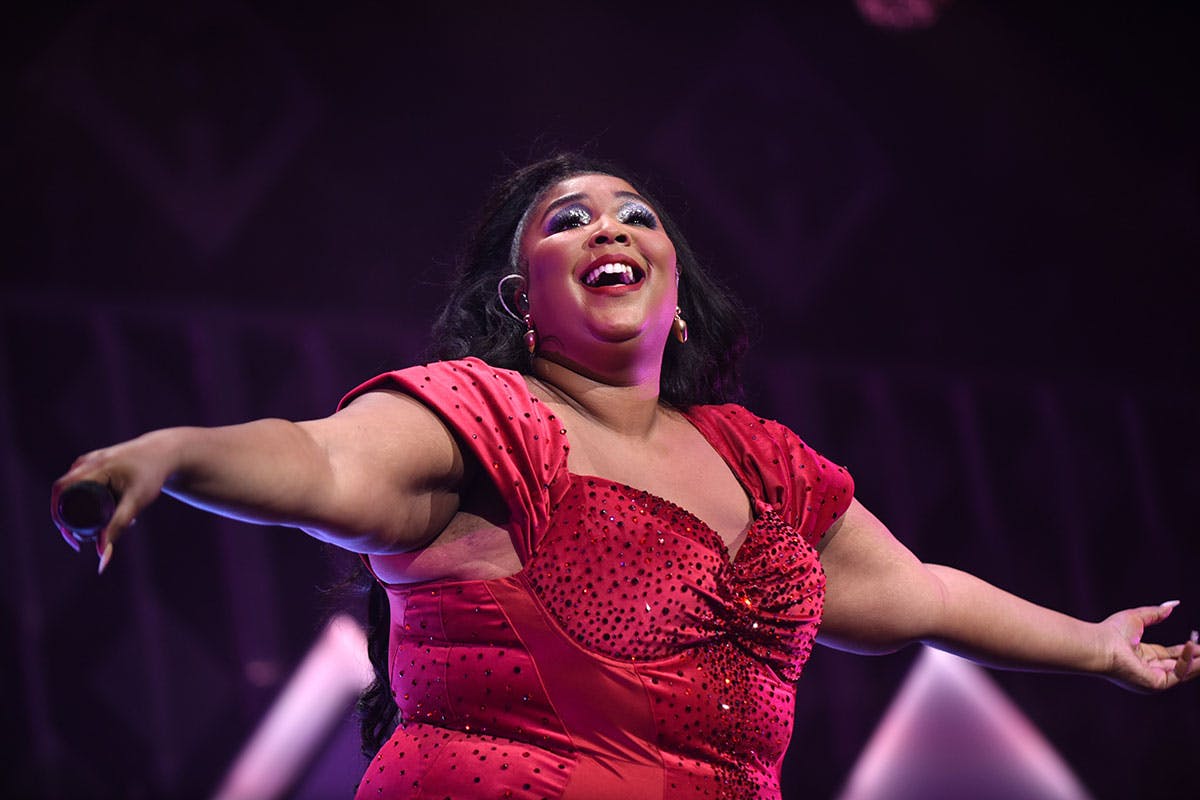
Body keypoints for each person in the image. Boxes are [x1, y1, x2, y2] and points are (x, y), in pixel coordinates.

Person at [51, 154, 1198, 799]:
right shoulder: (481, 416)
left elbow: (930, 597)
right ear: (521, 297)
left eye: (636, 212)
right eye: (567, 219)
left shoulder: (765, 468)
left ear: (674, 289)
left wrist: (1092, 642)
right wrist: (170, 455)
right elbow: (310, 455)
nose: (612, 224)